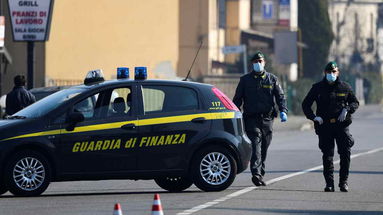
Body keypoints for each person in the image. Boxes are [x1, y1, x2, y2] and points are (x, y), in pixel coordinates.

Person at [302, 61, 359, 192]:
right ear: (325, 73)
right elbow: (306, 104)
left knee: (345, 153)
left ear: (338, 72)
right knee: (327, 155)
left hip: (341, 125)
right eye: (329, 72)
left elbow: (355, 102)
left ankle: (343, 182)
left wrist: (347, 109)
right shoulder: (317, 88)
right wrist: (313, 117)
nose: (331, 74)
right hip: (325, 125)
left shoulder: (345, 87)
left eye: (334, 72)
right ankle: (329, 183)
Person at [233, 51, 288, 186]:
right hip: (251, 119)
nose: (258, 64)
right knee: (256, 144)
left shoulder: (272, 79)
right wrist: (235, 112)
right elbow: (237, 99)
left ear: (264, 63)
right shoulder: (245, 80)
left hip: (268, 119)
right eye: (255, 62)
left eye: (260, 62)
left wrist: (283, 111)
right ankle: (256, 173)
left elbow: (280, 96)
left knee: (264, 146)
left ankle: (260, 172)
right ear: (252, 64)